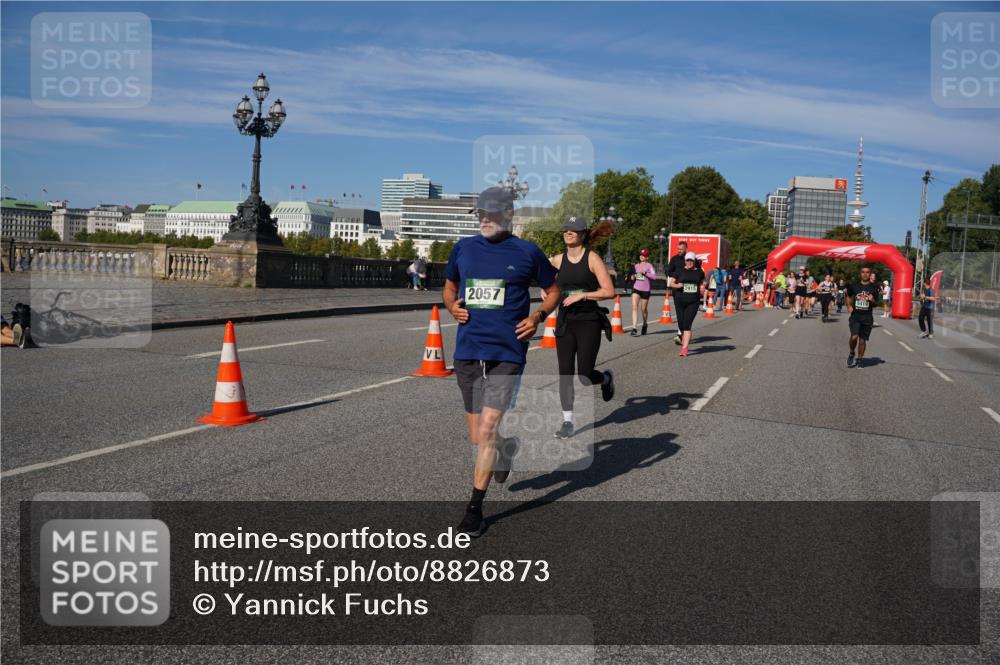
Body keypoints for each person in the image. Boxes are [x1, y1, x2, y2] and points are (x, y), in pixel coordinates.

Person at [444, 186, 561, 536]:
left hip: (508, 351)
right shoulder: (463, 248)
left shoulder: (527, 253)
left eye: (490, 214)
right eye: (480, 213)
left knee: (486, 429)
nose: (483, 218)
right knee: (479, 437)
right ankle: (506, 449)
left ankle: (474, 510)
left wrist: (539, 315)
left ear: (508, 216)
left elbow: (554, 290)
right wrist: (451, 306)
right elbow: (449, 285)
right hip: (468, 349)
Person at [547, 216, 617, 439]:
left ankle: (605, 379)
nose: (568, 232)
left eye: (574, 229)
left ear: (583, 234)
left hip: (588, 321)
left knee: (584, 376)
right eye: (566, 228)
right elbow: (542, 279)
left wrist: (584, 295)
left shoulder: (592, 258)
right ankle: (567, 421)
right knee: (565, 373)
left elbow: (609, 291)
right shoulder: (556, 260)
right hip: (565, 322)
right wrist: (546, 290)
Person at [669, 252, 705, 357]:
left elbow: (703, 281)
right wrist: (677, 285)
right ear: (685, 261)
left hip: (693, 301)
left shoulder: (699, 271)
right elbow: (672, 283)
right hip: (680, 301)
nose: (689, 262)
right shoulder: (679, 271)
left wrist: (703, 286)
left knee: (687, 324)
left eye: (691, 260)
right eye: (687, 260)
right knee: (681, 325)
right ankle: (685, 338)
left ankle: (684, 348)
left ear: (694, 261)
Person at [666, 241, 701, 345]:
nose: (678, 251)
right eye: (678, 249)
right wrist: (679, 275)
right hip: (678, 290)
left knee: (688, 315)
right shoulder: (674, 259)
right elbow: (668, 272)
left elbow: (699, 271)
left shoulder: (693, 260)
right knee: (680, 315)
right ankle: (683, 330)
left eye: (681, 249)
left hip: (692, 293)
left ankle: (682, 333)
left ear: (686, 249)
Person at [846, 266, 878, 368]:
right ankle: (852, 353)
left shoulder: (874, 287)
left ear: (870, 274)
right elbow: (848, 295)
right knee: (854, 336)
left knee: (862, 340)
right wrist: (849, 306)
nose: (865, 274)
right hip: (855, 316)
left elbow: (876, 303)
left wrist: (872, 300)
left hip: (867, 317)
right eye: (863, 272)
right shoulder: (854, 286)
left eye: (867, 272)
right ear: (860, 274)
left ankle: (860, 359)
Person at [629, 249, 657, 336]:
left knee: (643, 309)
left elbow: (654, 277)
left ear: (647, 257)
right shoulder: (636, 266)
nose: (641, 256)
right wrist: (633, 276)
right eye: (641, 255)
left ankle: (645, 324)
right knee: (634, 307)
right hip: (636, 288)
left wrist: (645, 273)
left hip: (645, 290)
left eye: (644, 255)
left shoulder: (649, 266)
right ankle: (634, 328)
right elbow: (635, 276)